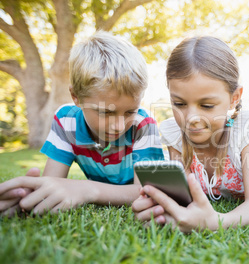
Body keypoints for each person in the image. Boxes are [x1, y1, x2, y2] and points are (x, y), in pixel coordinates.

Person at [0, 31, 164, 217]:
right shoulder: (66, 121)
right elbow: (53, 181)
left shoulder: (143, 125)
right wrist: (30, 196)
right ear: (76, 97)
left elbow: (146, 192)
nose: (119, 125)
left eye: (130, 111)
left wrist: (87, 190)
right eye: (105, 112)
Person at [132, 36, 249, 232]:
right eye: (179, 104)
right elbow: (184, 198)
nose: (191, 118)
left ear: (234, 98)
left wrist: (216, 222)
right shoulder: (174, 133)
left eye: (206, 105)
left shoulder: (248, 129)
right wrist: (161, 208)